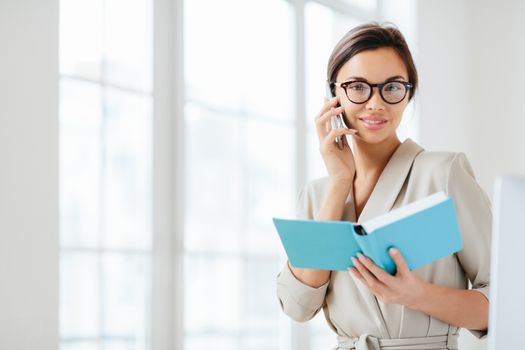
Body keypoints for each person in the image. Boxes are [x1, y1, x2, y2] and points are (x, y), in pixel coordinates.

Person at [276, 22, 491, 350]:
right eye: (358, 87)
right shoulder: (318, 195)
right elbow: (298, 306)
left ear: (408, 94)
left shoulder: (443, 173)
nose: (375, 104)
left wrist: (416, 295)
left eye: (391, 87)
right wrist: (339, 182)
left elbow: (508, 302)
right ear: (335, 95)